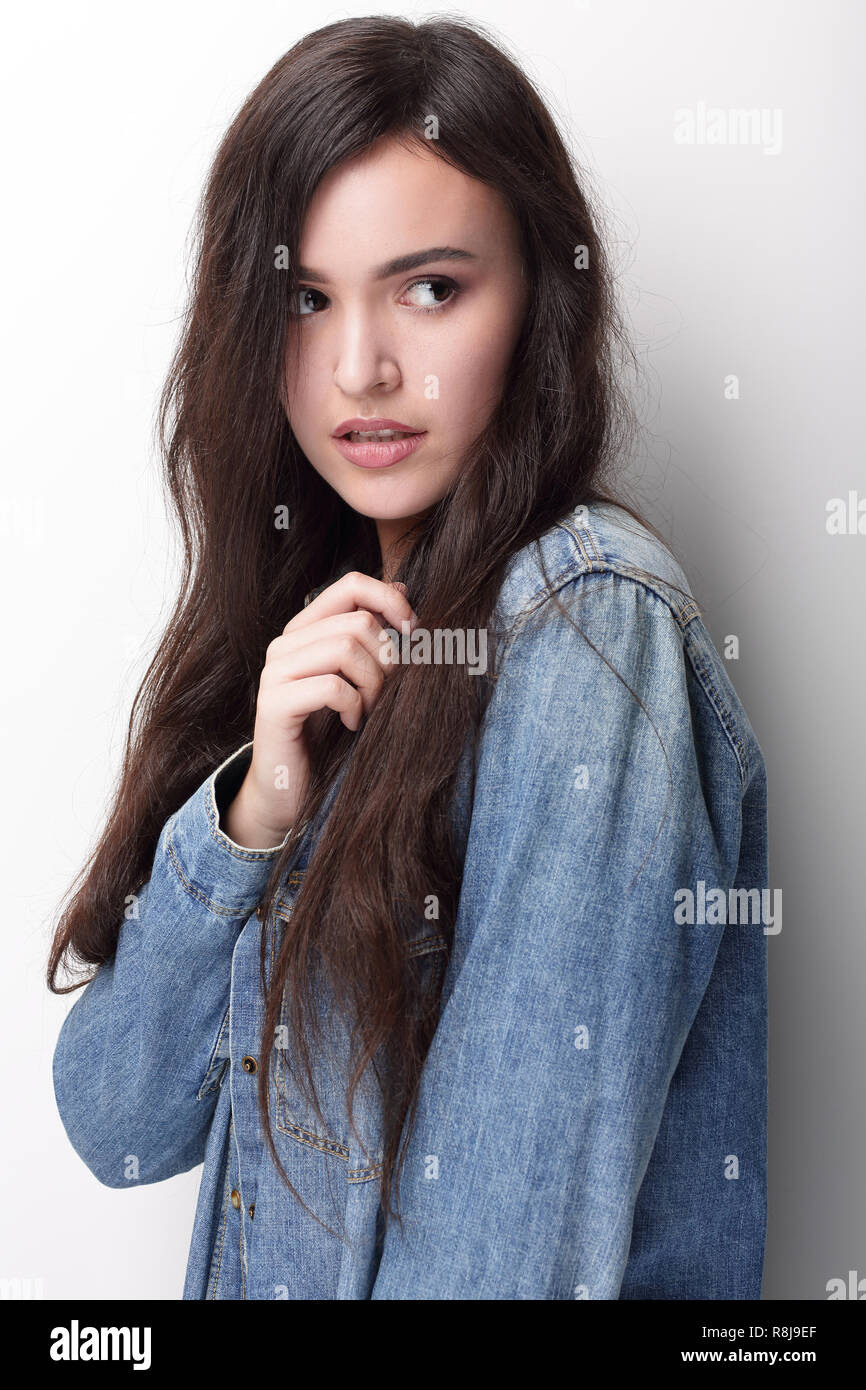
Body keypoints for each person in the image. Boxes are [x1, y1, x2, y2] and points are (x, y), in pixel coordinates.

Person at [49, 15, 768, 1300]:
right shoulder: (325, 638)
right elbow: (117, 1126)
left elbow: (504, 1267)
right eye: (304, 299)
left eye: (429, 288)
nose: (360, 367)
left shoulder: (581, 636)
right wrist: (256, 812)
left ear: (542, 297)